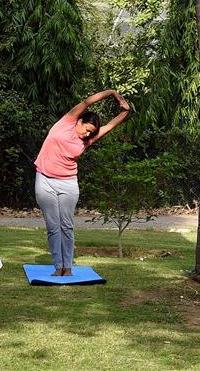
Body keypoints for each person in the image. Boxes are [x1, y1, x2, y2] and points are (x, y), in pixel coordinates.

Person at [34, 90, 130, 276]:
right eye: (87, 129)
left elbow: (109, 126)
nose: (88, 135)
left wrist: (125, 111)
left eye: (91, 133)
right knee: (53, 227)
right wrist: (112, 93)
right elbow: (87, 102)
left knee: (66, 225)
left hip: (68, 183)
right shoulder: (66, 122)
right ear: (79, 121)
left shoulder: (86, 140)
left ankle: (68, 267)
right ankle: (58, 266)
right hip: (45, 180)